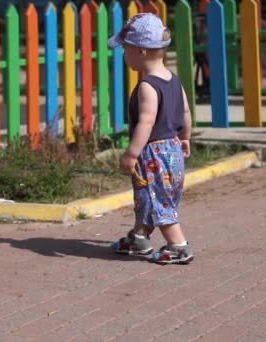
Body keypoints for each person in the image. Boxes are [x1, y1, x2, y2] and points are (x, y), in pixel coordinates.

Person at [108, 13, 194, 265]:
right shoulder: (174, 80)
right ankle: (140, 236)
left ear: (142, 51)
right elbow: (186, 112)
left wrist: (132, 153)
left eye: (127, 49)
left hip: (154, 154)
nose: (124, 55)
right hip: (173, 149)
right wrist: (185, 137)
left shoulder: (148, 85)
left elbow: (146, 121)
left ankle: (178, 245)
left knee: (159, 200)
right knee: (148, 197)